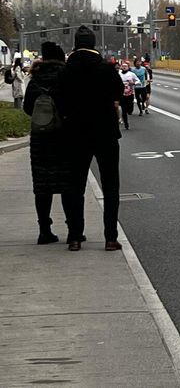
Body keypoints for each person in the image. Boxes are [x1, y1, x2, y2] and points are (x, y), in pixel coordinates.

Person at [59, 25, 124, 251]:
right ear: (94, 43)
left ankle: (75, 236)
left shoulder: (66, 70)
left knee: (74, 185)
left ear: (76, 44)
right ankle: (110, 237)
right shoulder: (105, 68)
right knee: (111, 186)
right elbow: (119, 91)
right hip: (105, 132)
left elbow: (59, 99)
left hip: (75, 132)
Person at [23, 42, 72, 244]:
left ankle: (44, 230)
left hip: (40, 139)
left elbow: (27, 108)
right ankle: (73, 230)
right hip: (65, 137)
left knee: (42, 186)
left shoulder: (35, 80)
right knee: (69, 185)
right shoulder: (67, 77)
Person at [118, 62, 139, 130]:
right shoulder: (119, 74)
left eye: (125, 66)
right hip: (122, 94)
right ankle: (126, 124)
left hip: (130, 94)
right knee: (123, 109)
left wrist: (133, 83)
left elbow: (138, 81)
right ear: (121, 67)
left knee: (129, 110)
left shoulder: (131, 74)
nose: (124, 67)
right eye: (123, 66)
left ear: (128, 67)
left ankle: (130, 110)